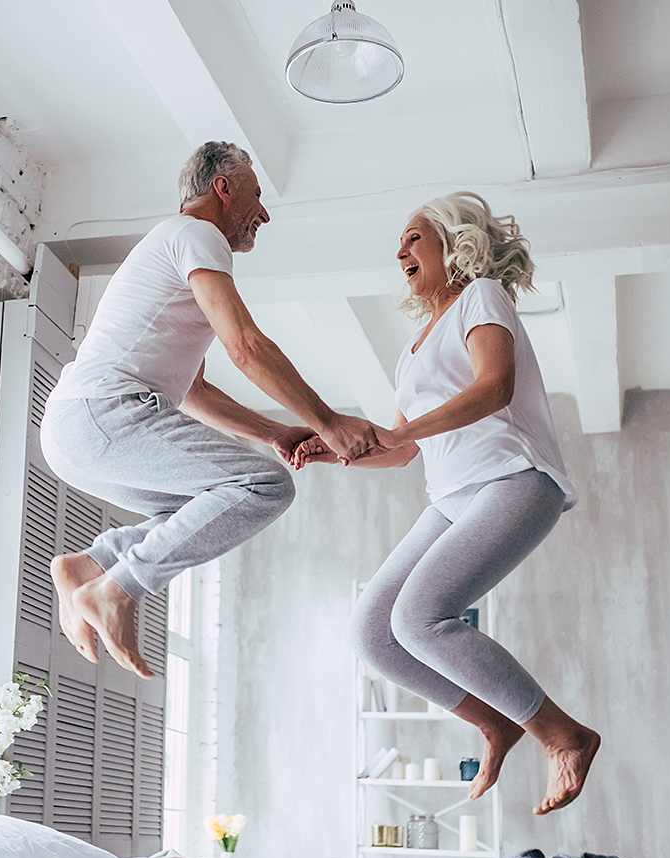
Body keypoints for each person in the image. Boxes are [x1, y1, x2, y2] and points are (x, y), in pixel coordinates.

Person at [296, 192, 600, 815]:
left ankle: (563, 734)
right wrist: (332, 451)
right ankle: (495, 722)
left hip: (514, 480)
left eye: (412, 237)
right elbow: (401, 450)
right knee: (372, 633)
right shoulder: (412, 348)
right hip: (450, 497)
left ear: (452, 241)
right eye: (399, 245)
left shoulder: (482, 296)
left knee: (418, 617)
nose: (400, 251)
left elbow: (495, 386)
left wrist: (398, 432)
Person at [41, 141, 380, 679]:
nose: (263, 214)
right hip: (103, 413)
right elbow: (244, 346)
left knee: (201, 509)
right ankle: (118, 589)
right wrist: (328, 422)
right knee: (266, 486)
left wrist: (273, 432)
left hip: (76, 427)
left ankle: (92, 565)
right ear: (223, 188)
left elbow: (194, 392)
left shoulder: (173, 248)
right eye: (257, 196)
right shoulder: (196, 234)